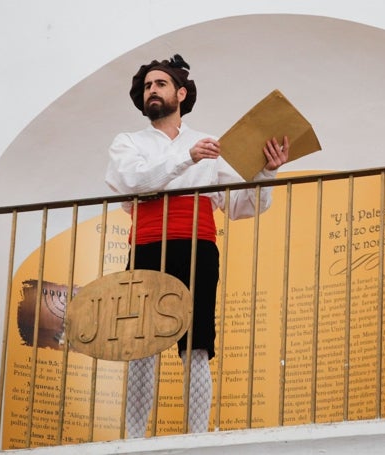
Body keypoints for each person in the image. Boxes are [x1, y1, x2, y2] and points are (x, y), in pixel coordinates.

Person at [104, 54, 289, 438]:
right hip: (147, 246)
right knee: (141, 343)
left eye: (160, 84)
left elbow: (243, 205)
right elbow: (135, 181)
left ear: (181, 92)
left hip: (199, 247)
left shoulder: (208, 145)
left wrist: (268, 171)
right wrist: (185, 159)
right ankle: (133, 439)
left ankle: (197, 436)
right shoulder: (129, 142)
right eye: (147, 87)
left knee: (198, 342)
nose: (151, 91)